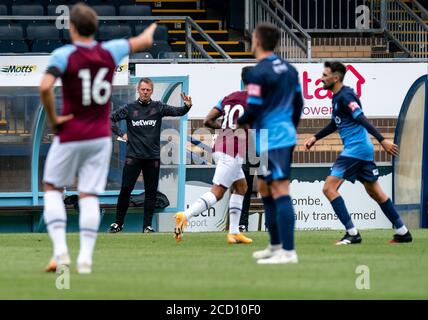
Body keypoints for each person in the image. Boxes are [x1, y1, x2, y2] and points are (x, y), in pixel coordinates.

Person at [40, 3, 156, 274]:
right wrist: (152, 27)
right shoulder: (110, 50)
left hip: (70, 133)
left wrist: (54, 119)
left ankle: (60, 253)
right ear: (94, 28)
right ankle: (86, 259)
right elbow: (144, 40)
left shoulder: (63, 54)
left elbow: (45, 86)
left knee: (52, 188)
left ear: (71, 28)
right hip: (100, 136)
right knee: (89, 193)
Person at [304, 61, 412, 245]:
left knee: (329, 188)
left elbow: (361, 117)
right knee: (375, 192)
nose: (321, 79)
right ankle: (403, 232)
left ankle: (352, 233)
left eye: (325, 75)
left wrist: (382, 140)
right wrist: (315, 137)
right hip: (361, 150)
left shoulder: (346, 97)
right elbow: (335, 123)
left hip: (355, 150)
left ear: (335, 78)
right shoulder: (337, 97)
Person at [237, 23, 304, 264]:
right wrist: (290, 128)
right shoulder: (289, 69)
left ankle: (288, 251)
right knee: (264, 187)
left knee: (279, 189)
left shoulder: (257, 72)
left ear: (257, 41)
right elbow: (299, 104)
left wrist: (240, 121)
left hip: (273, 137)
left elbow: (253, 108)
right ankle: (275, 245)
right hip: (278, 135)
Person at [174, 67, 253, 244]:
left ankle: (234, 232)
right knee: (217, 192)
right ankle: (184, 215)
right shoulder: (255, 100)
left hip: (220, 147)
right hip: (232, 151)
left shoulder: (227, 98)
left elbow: (207, 121)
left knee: (241, 187)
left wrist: (226, 128)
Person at [108, 78, 192, 233]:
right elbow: (110, 119)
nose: (145, 92)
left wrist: (187, 106)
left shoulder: (158, 107)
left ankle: (147, 226)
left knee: (151, 192)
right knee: (125, 189)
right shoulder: (129, 108)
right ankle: (118, 223)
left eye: (148, 90)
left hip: (152, 157)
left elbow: (178, 111)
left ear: (151, 91)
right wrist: (121, 134)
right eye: (143, 89)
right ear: (138, 90)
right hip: (133, 156)